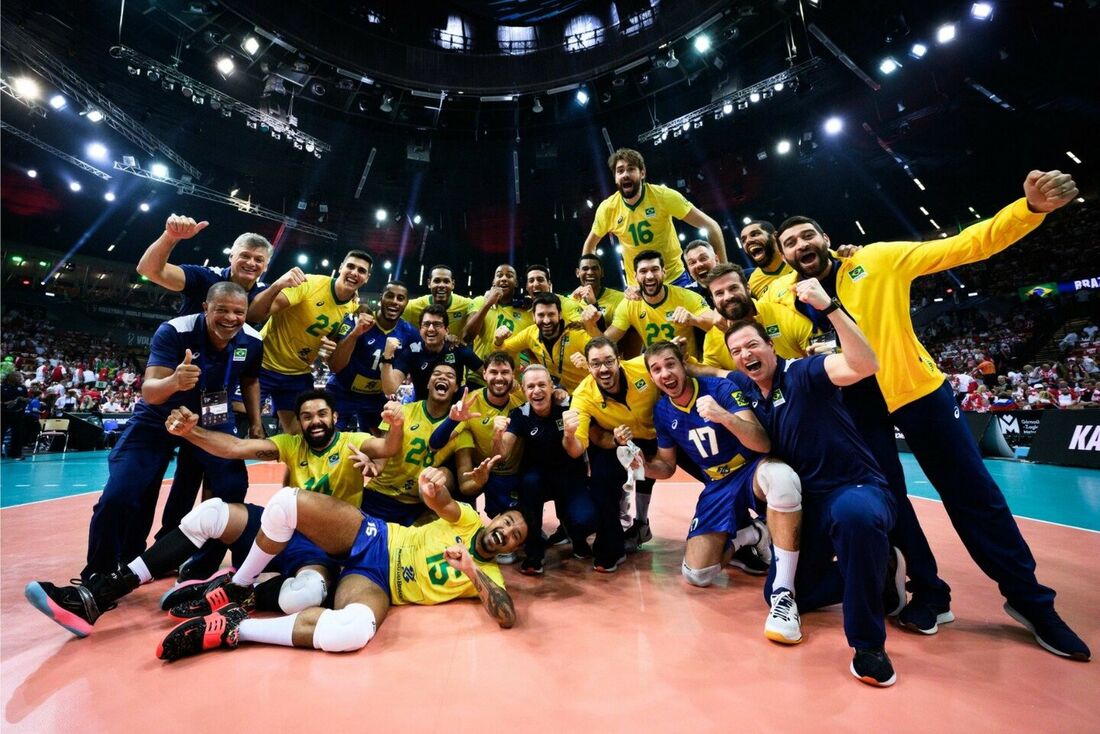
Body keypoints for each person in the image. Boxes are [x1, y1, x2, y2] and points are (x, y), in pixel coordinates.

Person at [766, 168, 1089, 660]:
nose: (800, 244)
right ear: (784, 256)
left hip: (920, 393)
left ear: (826, 239)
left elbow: (962, 246)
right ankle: (930, 594)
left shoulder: (876, 259)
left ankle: (1031, 602)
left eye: (807, 234)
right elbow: (757, 329)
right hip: (860, 412)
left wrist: (1029, 211)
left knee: (975, 497)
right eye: (789, 242)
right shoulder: (786, 297)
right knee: (891, 506)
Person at [24, 390, 407, 638]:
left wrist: (396, 425)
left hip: (321, 548)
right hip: (276, 531)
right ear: (300, 422)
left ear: (335, 418)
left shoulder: (354, 443)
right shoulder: (290, 443)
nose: (315, 421)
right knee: (210, 513)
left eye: (322, 414)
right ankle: (98, 593)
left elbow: (388, 448)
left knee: (304, 596)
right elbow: (235, 447)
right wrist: (191, 433)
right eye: (307, 416)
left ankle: (238, 589)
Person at [723, 277, 904, 686]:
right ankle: (881, 571)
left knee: (855, 518)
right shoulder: (750, 396)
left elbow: (863, 365)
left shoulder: (805, 372)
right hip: (808, 506)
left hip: (852, 487)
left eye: (752, 345)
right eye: (736, 351)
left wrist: (831, 308)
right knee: (781, 596)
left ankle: (868, 645)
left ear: (771, 345)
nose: (745, 354)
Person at [154, 465, 524, 661]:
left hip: (377, 583)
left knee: (349, 633)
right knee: (286, 503)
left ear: (513, 549)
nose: (505, 532)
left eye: (514, 536)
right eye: (506, 522)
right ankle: (240, 584)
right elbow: (443, 502)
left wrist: (472, 571)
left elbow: (506, 616)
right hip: (375, 537)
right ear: (493, 518)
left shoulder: (489, 575)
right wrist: (433, 487)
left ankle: (239, 628)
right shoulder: (469, 519)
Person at [81, 282, 263, 579]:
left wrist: (256, 422)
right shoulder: (175, 331)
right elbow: (151, 392)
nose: (230, 318)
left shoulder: (252, 341)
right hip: (158, 417)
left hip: (212, 417)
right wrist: (175, 382)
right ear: (206, 308)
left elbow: (251, 380)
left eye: (238, 312)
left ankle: (200, 559)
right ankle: (100, 571)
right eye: (222, 310)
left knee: (231, 487)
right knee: (120, 494)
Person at [641, 342, 803, 644]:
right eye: (656, 369)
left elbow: (763, 442)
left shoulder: (720, 388)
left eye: (670, 364)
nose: (665, 373)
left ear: (683, 364)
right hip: (717, 486)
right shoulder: (662, 410)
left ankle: (784, 590)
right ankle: (752, 534)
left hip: (749, 469)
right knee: (696, 575)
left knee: (782, 478)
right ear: (651, 377)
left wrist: (724, 416)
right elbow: (666, 466)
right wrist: (642, 466)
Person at [562, 337, 661, 571]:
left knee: (709, 467)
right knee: (601, 481)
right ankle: (612, 546)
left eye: (608, 361)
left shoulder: (642, 367)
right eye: (595, 364)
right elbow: (577, 449)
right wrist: (568, 434)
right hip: (620, 443)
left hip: (662, 436)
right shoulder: (583, 395)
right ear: (587, 366)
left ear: (619, 359)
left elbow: (674, 368)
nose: (603, 369)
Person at [247, 251, 370, 435]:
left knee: (303, 436)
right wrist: (277, 285)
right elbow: (257, 315)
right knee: (241, 424)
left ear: (366, 278)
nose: (354, 272)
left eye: (361, 270)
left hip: (297, 375)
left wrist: (331, 349)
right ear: (340, 268)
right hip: (262, 365)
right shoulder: (310, 284)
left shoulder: (352, 309)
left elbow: (334, 362)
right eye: (350, 266)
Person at [492, 364, 598, 575]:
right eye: (530, 386)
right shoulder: (520, 414)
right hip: (537, 477)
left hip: (570, 474)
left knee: (586, 519)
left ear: (552, 386)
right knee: (529, 484)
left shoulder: (569, 407)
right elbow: (502, 453)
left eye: (542, 385)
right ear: (523, 390)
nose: (537, 391)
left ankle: (575, 535)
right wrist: (496, 434)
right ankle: (534, 553)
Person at [583, 148, 726, 288]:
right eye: (620, 171)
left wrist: (723, 270)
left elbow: (712, 226)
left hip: (675, 280)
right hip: (638, 288)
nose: (625, 174)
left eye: (631, 169)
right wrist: (589, 285)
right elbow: (589, 247)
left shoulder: (664, 196)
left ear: (642, 173)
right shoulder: (607, 208)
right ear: (615, 178)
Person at [360, 362, 483, 525]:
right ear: (428, 383)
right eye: (437, 373)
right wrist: (369, 463)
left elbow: (465, 481)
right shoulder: (403, 411)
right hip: (378, 494)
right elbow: (380, 459)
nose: (443, 377)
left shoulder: (461, 430)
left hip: (415, 506)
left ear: (455, 388)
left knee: (444, 473)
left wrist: (480, 480)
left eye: (450, 376)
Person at [428, 354, 525, 549]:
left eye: (505, 372)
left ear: (513, 376)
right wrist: (453, 420)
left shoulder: (522, 399)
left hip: (519, 470)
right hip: (487, 472)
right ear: (484, 374)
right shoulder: (471, 402)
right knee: (477, 498)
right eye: (494, 372)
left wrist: (559, 394)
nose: (499, 378)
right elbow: (435, 443)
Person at [327, 282, 421, 433]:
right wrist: (355, 333)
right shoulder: (357, 320)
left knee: (386, 440)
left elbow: (394, 384)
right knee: (330, 440)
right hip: (342, 392)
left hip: (375, 398)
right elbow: (334, 366)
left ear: (406, 303)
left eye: (400, 298)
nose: (394, 301)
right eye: (390, 296)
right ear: (381, 298)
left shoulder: (410, 334)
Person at [604, 250, 718, 359]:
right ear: (635, 276)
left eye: (655, 269)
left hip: (689, 366)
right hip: (656, 370)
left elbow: (716, 324)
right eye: (643, 271)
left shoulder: (686, 297)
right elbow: (606, 340)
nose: (649, 276)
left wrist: (694, 319)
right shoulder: (629, 303)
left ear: (664, 272)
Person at [700, 263, 812, 373]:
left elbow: (817, 352)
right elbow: (708, 378)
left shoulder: (784, 315)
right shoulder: (712, 340)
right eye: (719, 293)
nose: (728, 296)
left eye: (733, 288)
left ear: (748, 288)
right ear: (713, 300)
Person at [495, 293, 600, 392]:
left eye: (551, 314)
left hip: (589, 394)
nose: (546, 321)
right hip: (558, 395)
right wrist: (498, 341)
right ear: (533, 316)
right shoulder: (530, 334)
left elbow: (609, 361)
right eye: (541, 315)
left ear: (560, 314)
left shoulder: (578, 335)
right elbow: (503, 351)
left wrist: (588, 364)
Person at [382, 305, 482, 399]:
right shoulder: (411, 352)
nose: (431, 329)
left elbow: (487, 373)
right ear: (420, 329)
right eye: (426, 324)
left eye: (437, 324)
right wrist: (387, 357)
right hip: (421, 412)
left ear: (447, 330)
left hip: (454, 412)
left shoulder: (457, 349)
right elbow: (389, 390)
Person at [463, 264, 535, 362]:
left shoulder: (527, 308)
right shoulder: (480, 301)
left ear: (516, 283)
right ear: (493, 281)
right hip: (479, 373)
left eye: (509, 276)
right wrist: (488, 304)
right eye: (499, 275)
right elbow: (467, 337)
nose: (504, 279)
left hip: (514, 375)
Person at [402, 264, 475, 340]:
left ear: (453, 284)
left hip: (456, 351)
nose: (441, 285)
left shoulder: (467, 305)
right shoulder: (411, 307)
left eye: (446, 281)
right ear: (429, 283)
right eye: (437, 281)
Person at [740, 220, 792, 299]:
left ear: (775, 236)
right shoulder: (752, 284)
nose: (748, 241)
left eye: (754, 234)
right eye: (743, 240)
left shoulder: (797, 262)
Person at [572, 253, 625, 327]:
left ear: (602, 272)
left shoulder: (619, 298)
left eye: (594, 268)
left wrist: (593, 304)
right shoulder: (572, 301)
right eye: (585, 269)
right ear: (578, 273)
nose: (590, 272)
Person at [2, 370, 29, 459]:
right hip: (4, 413)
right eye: (16, 376)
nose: (19, 378)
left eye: (19, 376)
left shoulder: (22, 388)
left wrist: (23, 400)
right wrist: (5, 403)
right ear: (10, 377)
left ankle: (16, 453)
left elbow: (27, 399)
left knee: (18, 434)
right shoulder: (2, 387)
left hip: (18, 414)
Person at [682, 240, 718, 306]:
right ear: (689, 270)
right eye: (692, 262)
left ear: (716, 260)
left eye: (703, 258)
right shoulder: (687, 294)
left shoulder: (738, 279)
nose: (698, 265)